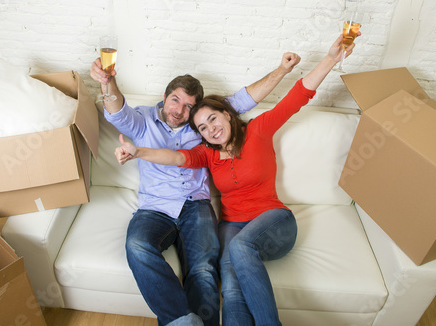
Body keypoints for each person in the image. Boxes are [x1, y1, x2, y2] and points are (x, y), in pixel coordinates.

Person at [114, 35, 356, 326]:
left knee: (240, 248)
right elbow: (177, 157)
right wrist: (138, 151)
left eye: (213, 119)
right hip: (232, 223)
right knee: (230, 288)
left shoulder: (258, 131)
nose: (211, 129)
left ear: (228, 115)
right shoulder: (205, 154)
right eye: (203, 128)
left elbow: (298, 96)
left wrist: (330, 58)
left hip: (273, 219)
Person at [90, 49, 301, 325]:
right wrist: (108, 83)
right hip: (155, 207)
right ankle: (182, 321)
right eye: (176, 100)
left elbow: (247, 97)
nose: (180, 110)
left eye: (189, 106)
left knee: (202, 270)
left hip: (196, 207)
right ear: (164, 98)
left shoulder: (202, 124)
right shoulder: (141, 121)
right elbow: (116, 111)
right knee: (137, 245)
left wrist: (282, 70)